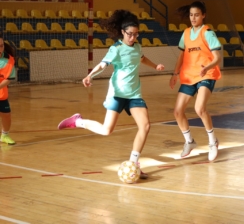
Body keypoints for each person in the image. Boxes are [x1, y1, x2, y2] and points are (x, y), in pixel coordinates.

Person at [58, 10, 164, 179]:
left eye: (136, 34)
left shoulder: (137, 46)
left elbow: (142, 58)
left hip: (134, 94)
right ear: (122, 32)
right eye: (130, 34)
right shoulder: (116, 49)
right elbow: (102, 65)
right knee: (107, 130)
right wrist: (89, 75)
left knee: (145, 126)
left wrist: (155, 66)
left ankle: (133, 163)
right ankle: (78, 121)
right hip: (117, 94)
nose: (133, 37)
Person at [169, 1, 222, 162]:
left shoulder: (208, 33)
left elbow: (217, 57)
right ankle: (189, 142)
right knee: (178, 112)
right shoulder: (185, 33)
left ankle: (213, 142)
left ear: (203, 15)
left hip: (206, 74)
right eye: (191, 15)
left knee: (200, 109)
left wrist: (207, 67)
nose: (193, 17)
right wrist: (175, 73)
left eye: (196, 14)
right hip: (189, 75)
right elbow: (181, 55)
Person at [0, 35, 16, 145]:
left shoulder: (8, 60)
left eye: (1, 45)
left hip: (1, 93)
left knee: (6, 114)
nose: (0, 48)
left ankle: (5, 135)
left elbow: (9, 79)